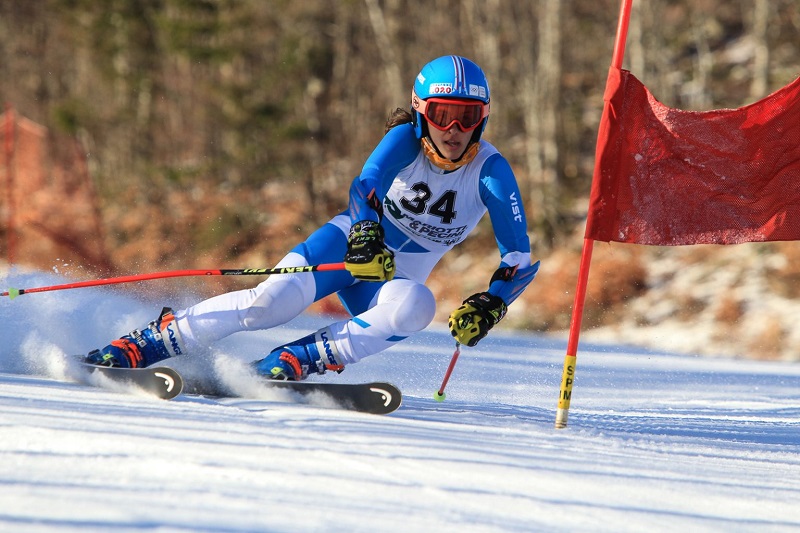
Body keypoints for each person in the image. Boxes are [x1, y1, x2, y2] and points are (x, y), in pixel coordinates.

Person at [85, 55, 540, 380]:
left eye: (468, 117)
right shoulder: (404, 139)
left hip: (390, 279)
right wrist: (364, 233)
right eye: (444, 116)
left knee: (417, 307)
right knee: (268, 305)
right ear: (422, 114)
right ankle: (154, 339)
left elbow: (519, 256)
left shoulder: (491, 172)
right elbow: (366, 184)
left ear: (483, 119)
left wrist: (493, 303)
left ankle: (300, 359)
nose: (455, 131)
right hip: (349, 249)